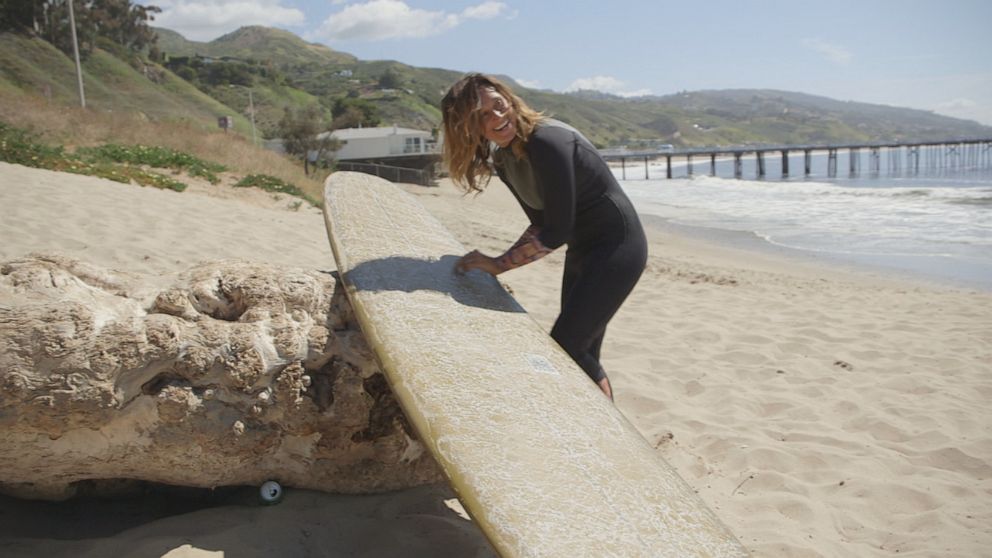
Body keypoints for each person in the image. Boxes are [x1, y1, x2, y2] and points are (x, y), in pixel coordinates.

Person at [441, 73, 647, 400]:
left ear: (509, 99)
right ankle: (598, 426)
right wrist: (496, 262)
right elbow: (541, 223)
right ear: (469, 127)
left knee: (567, 345)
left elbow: (558, 229)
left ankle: (606, 427)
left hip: (617, 247)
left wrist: (498, 265)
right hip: (583, 252)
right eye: (482, 114)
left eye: (498, 105)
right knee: (583, 349)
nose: (497, 116)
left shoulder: (547, 141)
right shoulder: (505, 160)